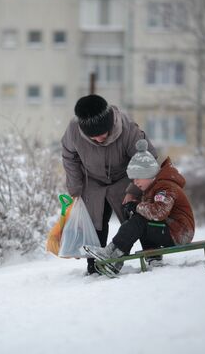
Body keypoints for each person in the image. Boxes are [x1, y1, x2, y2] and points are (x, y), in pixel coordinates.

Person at [61, 94, 157, 275]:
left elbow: (147, 159)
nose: (98, 140)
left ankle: (152, 254)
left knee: (137, 214)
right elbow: (69, 156)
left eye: (101, 135)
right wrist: (75, 189)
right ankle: (95, 266)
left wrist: (134, 190)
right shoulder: (74, 130)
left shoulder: (128, 130)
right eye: (93, 137)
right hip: (93, 181)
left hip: (124, 178)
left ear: (110, 125)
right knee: (94, 221)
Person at [84, 139, 195, 274]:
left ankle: (113, 255)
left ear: (148, 174)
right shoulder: (153, 188)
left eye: (137, 178)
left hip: (180, 232)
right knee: (139, 218)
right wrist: (134, 208)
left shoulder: (165, 187)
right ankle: (125, 256)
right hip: (171, 229)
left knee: (140, 221)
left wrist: (136, 206)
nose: (135, 183)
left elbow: (159, 212)